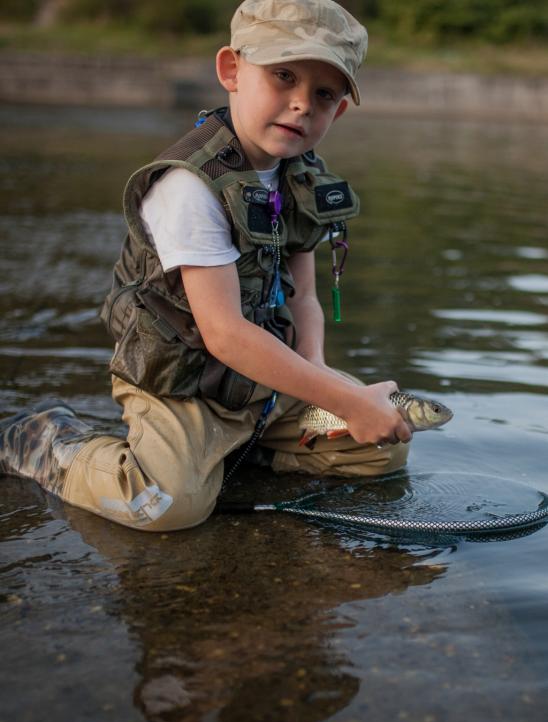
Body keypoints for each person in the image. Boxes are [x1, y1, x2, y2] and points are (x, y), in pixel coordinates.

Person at [0, 0, 411, 531]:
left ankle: (240, 452)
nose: (301, 104)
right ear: (232, 70)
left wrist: (320, 375)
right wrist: (348, 401)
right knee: (164, 507)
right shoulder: (190, 187)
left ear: (340, 112)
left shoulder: (301, 176)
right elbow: (224, 334)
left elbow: (304, 296)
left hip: (261, 385)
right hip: (185, 387)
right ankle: (48, 440)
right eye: (284, 76)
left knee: (382, 448)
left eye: (324, 94)